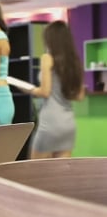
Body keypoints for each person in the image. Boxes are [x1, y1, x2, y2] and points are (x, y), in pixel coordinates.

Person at [22, 21, 85, 159]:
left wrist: (30, 90)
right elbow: (79, 96)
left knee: (36, 172)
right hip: (68, 124)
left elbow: (44, 92)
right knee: (61, 175)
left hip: (50, 123)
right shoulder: (74, 62)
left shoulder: (47, 58)